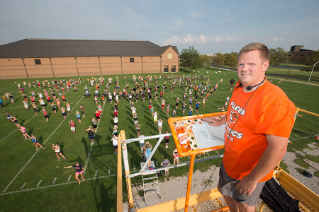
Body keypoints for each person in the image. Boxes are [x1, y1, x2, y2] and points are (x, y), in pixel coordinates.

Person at [203, 43, 295, 212]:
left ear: (265, 65)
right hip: (230, 159)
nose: (244, 69)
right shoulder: (240, 86)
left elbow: (278, 148)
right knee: (223, 191)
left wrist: (253, 179)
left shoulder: (275, 101)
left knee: (245, 205)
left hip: (249, 170)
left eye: (251, 64)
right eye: (241, 64)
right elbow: (235, 109)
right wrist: (221, 121)